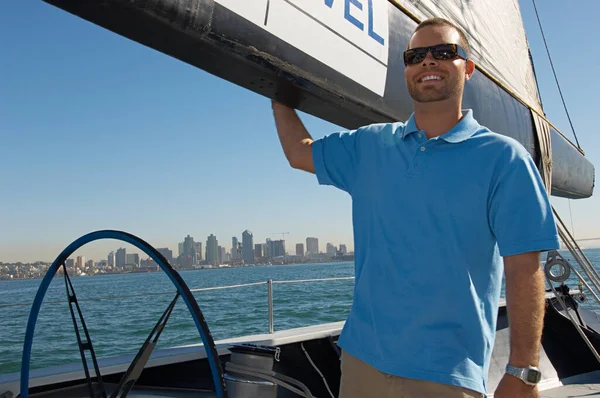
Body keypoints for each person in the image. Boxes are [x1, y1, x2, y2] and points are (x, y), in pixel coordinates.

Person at [271, 17, 559, 398]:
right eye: (415, 55)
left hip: (448, 375)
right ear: (407, 68)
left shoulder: (505, 159)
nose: (428, 62)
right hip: (361, 363)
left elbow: (524, 270)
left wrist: (523, 371)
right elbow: (298, 153)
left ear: (468, 68)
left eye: (444, 52)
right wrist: (274, 86)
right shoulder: (369, 146)